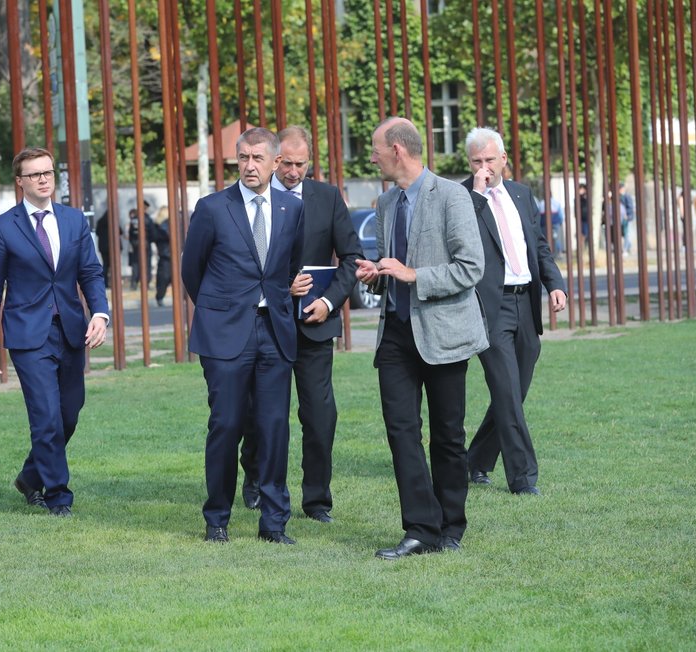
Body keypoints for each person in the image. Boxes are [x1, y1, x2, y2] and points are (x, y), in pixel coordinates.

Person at [354, 117, 487, 559]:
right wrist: (376, 275)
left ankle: (451, 526)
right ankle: (419, 529)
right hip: (395, 335)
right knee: (401, 433)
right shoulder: (385, 203)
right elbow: (392, 268)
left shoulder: (452, 196)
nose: (370, 157)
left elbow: (471, 268)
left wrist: (414, 275)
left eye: (375, 149)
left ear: (397, 150)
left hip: (443, 333)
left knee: (448, 435)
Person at [181, 127, 305, 544]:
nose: (250, 166)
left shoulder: (291, 208)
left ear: (275, 162)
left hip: (275, 331)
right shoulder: (213, 208)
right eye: (243, 158)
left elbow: (288, 266)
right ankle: (217, 518)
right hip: (224, 335)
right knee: (227, 424)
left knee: (274, 427)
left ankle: (274, 523)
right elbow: (191, 271)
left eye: (258, 159)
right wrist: (222, 309)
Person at [0, 147, 109, 517]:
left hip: (70, 329)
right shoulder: (3, 227)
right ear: (20, 181)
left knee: (69, 414)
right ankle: (58, 495)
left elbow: (91, 273)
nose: (44, 179)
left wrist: (100, 312)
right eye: (35, 174)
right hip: (27, 335)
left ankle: (30, 476)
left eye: (48, 172)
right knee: (46, 416)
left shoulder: (73, 221)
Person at [239, 125, 362, 523]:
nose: (293, 172)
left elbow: (351, 258)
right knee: (260, 413)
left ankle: (317, 500)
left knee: (320, 415)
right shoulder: (252, 197)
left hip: (314, 324)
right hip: (265, 326)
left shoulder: (327, 198)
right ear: (275, 160)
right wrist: (279, 286)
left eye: (301, 164)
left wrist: (328, 301)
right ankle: (255, 481)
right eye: (287, 164)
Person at [463, 127, 567, 496]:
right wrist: (477, 193)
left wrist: (555, 284)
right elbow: (462, 237)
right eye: (476, 161)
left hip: (526, 303)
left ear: (504, 159)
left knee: (514, 392)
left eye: (490, 160)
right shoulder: (463, 197)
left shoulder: (522, 194)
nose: (484, 167)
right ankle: (523, 479)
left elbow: (538, 245)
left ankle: (474, 461)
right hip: (489, 307)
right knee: (506, 391)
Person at [128, 202, 155, 290]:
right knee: (146, 264)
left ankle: (134, 283)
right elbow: (152, 232)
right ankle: (145, 283)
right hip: (146, 245)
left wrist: (133, 243)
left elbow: (131, 233)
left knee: (136, 265)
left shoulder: (134, 219)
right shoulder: (147, 219)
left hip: (136, 245)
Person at [95, 210, 122, 282]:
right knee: (114, 264)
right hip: (113, 246)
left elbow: (97, 232)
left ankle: (105, 281)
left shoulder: (100, 221)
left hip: (103, 247)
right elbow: (120, 231)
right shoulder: (113, 221)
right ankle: (114, 281)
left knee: (105, 264)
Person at [152, 205, 172, 306]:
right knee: (164, 278)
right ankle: (160, 297)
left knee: (163, 278)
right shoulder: (164, 226)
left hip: (166, 255)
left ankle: (160, 297)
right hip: (168, 255)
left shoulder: (159, 226)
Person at [619, 182, 635, 254]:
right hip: (621, 218)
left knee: (626, 233)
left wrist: (628, 216)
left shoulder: (626, 196)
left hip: (626, 218)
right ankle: (628, 246)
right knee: (624, 233)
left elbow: (630, 207)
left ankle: (626, 248)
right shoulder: (619, 196)